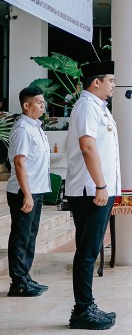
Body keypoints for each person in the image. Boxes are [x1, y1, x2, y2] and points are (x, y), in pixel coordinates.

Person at [66, 61, 120, 330]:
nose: (113, 85)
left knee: (89, 249)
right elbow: (88, 147)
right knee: (87, 252)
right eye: (110, 80)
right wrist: (100, 185)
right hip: (91, 191)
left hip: (98, 189)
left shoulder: (97, 107)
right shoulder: (87, 105)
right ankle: (82, 310)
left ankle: (86, 305)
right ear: (95, 82)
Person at [6, 86, 51, 297]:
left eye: (43, 102)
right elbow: (19, 163)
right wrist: (27, 194)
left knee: (30, 237)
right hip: (24, 192)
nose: (43, 105)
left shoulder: (36, 127)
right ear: (26, 105)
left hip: (37, 190)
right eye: (39, 102)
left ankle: (26, 277)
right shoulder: (23, 129)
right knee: (21, 237)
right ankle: (18, 283)